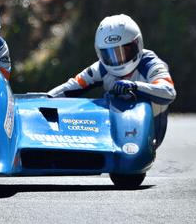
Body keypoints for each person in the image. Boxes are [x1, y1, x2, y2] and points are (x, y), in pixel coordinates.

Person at [48, 14, 176, 147]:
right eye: (110, 54)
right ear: (100, 53)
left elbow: (168, 92)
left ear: (137, 45)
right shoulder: (101, 68)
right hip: (113, 128)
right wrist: (45, 97)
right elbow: (72, 86)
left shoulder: (151, 64)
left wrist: (135, 87)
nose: (118, 60)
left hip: (152, 129)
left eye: (124, 51)